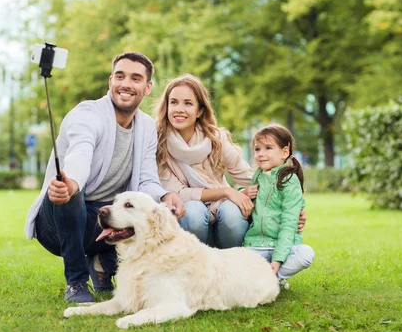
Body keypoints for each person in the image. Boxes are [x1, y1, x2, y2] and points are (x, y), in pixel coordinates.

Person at [24, 52, 186, 304]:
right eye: (120, 76)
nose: (126, 84)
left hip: (100, 220)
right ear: (111, 81)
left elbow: (146, 181)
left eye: (135, 78)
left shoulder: (146, 128)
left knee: (139, 209)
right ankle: (76, 283)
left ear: (147, 87)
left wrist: (165, 195)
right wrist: (71, 183)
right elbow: (80, 154)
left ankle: (102, 261)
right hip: (57, 222)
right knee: (73, 196)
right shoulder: (87, 114)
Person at [155, 74, 258, 249]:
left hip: (222, 221)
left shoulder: (216, 139)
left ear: (200, 110)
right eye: (174, 102)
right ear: (166, 106)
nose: (179, 109)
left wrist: (289, 206)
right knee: (193, 210)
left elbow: (250, 177)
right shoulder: (158, 143)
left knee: (232, 213)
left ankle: (232, 267)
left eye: (188, 103)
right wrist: (226, 191)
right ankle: (194, 268)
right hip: (189, 224)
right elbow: (179, 194)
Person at [243, 124, 315, 289]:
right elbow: (253, 204)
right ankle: (269, 280)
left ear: (284, 152)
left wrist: (278, 259)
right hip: (255, 245)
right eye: (257, 149)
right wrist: (243, 193)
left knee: (306, 254)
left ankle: (273, 278)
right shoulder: (258, 177)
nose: (261, 154)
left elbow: (290, 223)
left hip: (282, 247)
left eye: (268, 148)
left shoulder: (289, 181)